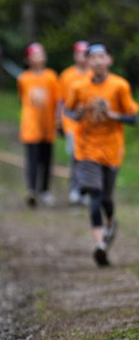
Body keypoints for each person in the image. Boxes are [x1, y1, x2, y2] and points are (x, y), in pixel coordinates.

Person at [64, 43, 137, 267]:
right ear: (86, 62)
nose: (97, 61)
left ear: (109, 60)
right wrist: (74, 115)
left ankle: (110, 223)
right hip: (86, 148)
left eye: (101, 57)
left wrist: (114, 115)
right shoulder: (78, 87)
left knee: (106, 198)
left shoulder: (119, 86)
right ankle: (100, 245)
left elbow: (133, 118)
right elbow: (68, 110)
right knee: (94, 194)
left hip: (112, 149)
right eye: (92, 57)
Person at [17, 42, 59, 208]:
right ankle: (32, 190)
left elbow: (57, 100)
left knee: (47, 160)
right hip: (31, 126)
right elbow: (22, 99)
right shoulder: (23, 78)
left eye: (40, 54)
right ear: (28, 59)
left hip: (48, 125)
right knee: (32, 160)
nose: (38, 58)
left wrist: (58, 121)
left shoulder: (51, 76)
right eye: (34, 55)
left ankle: (45, 190)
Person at [58, 41, 91, 205]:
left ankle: (85, 190)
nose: (83, 57)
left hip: (90, 126)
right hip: (71, 124)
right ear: (75, 55)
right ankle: (74, 188)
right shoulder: (67, 75)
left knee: (88, 159)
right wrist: (59, 122)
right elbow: (61, 101)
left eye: (86, 54)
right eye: (80, 53)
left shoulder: (94, 74)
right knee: (74, 157)